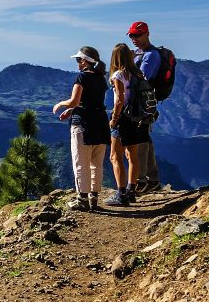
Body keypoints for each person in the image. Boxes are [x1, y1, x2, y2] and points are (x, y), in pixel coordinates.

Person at [53, 47, 109, 211]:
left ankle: (82, 200)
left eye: (78, 60)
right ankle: (94, 199)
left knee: (81, 163)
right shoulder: (101, 78)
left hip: (83, 124)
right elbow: (92, 102)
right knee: (96, 163)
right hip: (100, 123)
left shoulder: (82, 77)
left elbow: (74, 101)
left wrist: (61, 104)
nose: (77, 63)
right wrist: (72, 110)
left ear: (85, 61)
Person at [105, 43, 147, 207]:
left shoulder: (118, 75)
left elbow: (120, 99)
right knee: (132, 156)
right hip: (136, 118)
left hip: (123, 118)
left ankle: (121, 194)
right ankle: (131, 191)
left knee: (115, 157)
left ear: (115, 57)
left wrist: (114, 120)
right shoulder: (138, 73)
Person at [127, 21, 161, 193]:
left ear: (147, 34)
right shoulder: (140, 54)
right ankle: (152, 179)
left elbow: (142, 78)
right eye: (131, 35)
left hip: (142, 105)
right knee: (145, 139)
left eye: (137, 35)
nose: (133, 38)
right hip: (140, 104)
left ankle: (141, 182)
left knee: (139, 140)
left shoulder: (151, 56)